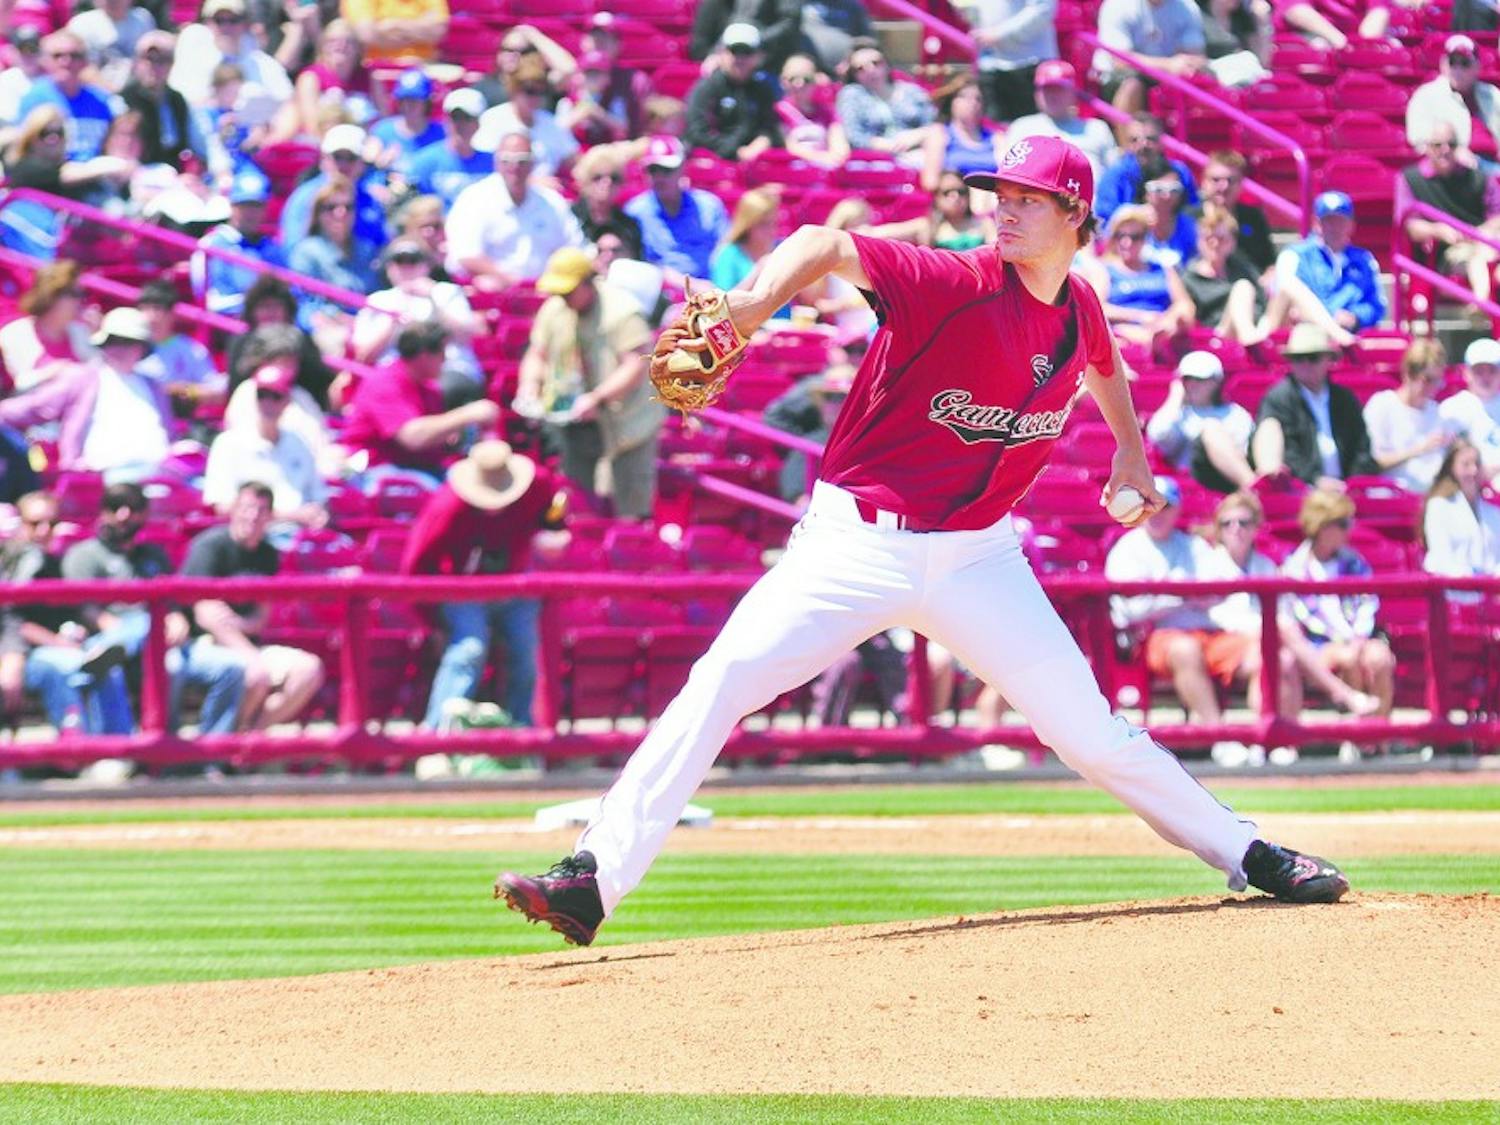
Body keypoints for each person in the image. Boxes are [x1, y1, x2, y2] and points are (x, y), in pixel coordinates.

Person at [496, 135, 1351, 949]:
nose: (1004, 209)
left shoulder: (1079, 309)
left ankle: (1248, 851)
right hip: (855, 543)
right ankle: (593, 878)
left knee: (1091, 732)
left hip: (980, 558)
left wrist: (1131, 448)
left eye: (1027, 199)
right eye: (999, 194)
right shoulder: (952, 281)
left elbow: (1103, 363)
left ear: (1076, 215)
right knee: (721, 682)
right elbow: (823, 243)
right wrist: (749, 308)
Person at [402, 440, 566, 729]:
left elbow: (554, 519)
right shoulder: (447, 506)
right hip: (463, 588)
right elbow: (416, 566)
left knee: (526, 651)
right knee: (469, 649)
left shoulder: (538, 485)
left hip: (515, 583)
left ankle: (522, 730)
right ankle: (440, 731)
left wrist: (555, 534)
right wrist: (431, 621)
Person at [1105, 476, 1270, 763]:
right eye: (1150, 504)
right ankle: (1220, 737)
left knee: (1263, 648)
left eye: (1165, 506)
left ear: (1177, 510)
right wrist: (1180, 595)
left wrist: (1172, 593)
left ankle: (1262, 740)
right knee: (1185, 649)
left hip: (1207, 631)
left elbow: (1219, 590)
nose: (1157, 512)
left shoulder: (1193, 546)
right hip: (1153, 639)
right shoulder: (1127, 549)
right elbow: (1128, 611)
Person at [515, 248, 661, 520]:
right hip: (574, 419)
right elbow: (537, 354)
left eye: (569, 291)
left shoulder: (622, 311)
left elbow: (636, 364)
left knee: (630, 507)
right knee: (577, 498)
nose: (563, 297)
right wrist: (529, 386)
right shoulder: (555, 309)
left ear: (587, 282)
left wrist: (598, 397)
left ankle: (629, 540)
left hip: (627, 420)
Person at [177, 481, 324, 731]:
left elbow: (261, 617)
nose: (253, 516)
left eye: (261, 510)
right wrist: (248, 652)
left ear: (270, 516)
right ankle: (225, 744)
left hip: (249, 645)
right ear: (234, 509)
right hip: (206, 644)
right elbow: (204, 614)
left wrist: (241, 626)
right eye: (247, 508)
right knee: (255, 675)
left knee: (309, 670)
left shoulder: (268, 553)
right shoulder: (209, 546)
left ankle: (248, 736)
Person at [0, 490, 132, 736]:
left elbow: (68, 612)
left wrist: (76, 631)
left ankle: (119, 745)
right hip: (22, 655)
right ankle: (76, 748)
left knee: (107, 667)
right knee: (70, 667)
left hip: (60, 646)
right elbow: (14, 624)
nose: (44, 531)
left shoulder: (56, 563)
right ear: (21, 524)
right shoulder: (11, 562)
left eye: (51, 524)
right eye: (35, 523)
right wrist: (59, 643)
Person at [60, 480, 183, 739]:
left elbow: (172, 604)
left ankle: (174, 746)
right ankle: (122, 748)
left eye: (133, 507)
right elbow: (85, 608)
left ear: (144, 513)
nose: (124, 515)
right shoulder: (84, 554)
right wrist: (118, 630)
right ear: (103, 512)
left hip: (155, 641)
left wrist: (177, 619)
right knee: (116, 662)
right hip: (102, 637)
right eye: (115, 506)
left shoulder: (154, 555)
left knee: (184, 664)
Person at [0, 306, 172, 480]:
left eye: (129, 342)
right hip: (100, 477)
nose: (120, 349)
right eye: (113, 341)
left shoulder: (152, 386)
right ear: (103, 344)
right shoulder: (85, 377)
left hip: (158, 475)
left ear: (142, 348)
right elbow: (35, 407)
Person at [1280, 488, 1396, 721]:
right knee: (1348, 657)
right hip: (1317, 645)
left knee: (1381, 658)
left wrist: (1359, 638)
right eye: (1343, 524)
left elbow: (1367, 604)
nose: (1349, 530)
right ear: (1322, 526)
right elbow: (1293, 623)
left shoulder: (1354, 562)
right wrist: (1350, 646)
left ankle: (1379, 731)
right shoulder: (1293, 569)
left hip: (1357, 638)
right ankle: (1355, 728)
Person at [341, 320, 499, 486]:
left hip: (418, 467)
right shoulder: (384, 384)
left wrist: (451, 435)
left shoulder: (428, 387)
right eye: (441, 352)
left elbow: (434, 440)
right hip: (375, 470)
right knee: (440, 490)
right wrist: (468, 414)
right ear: (424, 355)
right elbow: (412, 437)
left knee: (471, 483)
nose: (444, 359)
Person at [444, 130, 585, 290]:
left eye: (522, 160)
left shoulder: (552, 202)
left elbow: (574, 247)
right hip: (494, 294)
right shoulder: (473, 199)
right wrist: (511, 281)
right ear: (496, 163)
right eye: (506, 160)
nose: (514, 167)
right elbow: (465, 255)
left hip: (548, 290)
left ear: (533, 163)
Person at [351, 236, 482, 408]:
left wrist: (434, 298)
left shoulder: (446, 292)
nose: (406, 267)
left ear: (427, 265)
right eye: (399, 260)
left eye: (413, 260)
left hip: (449, 368)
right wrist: (392, 322)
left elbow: (465, 336)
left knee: (440, 391)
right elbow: (363, 356)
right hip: (395, 375)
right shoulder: (377, 301)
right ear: (389, 267)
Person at [202, 362, 327, 529]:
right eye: (262, 395)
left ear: (287, 401)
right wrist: (290, 516)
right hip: (251, 536)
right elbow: (223, 507)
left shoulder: (299, 442)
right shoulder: (228, 443)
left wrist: (319, 515)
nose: (267, 403)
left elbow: (319, 497)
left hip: (300, 535)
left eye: (276, 396)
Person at [1251, 323, 1376, 488]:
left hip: (1346, 489)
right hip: (1302, 490)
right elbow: (1289, 453)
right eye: (1298, 358)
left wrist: (1353, 484)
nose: (1305, 364)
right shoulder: (1279, 399)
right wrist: (1315, 480)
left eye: (1313, 357)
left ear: (1328, 360)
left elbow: (1361, 448)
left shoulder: (1345, 398)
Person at [1397, 120, 1500, 309]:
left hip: (1484, 244)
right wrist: (1438, 230)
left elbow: (1497, 215)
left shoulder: (1478, 178)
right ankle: (1482, 305)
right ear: (1427, 147)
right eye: (1438, 145)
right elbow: (1409, 225)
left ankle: (1482, 306)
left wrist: (1479, 232)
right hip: (1444, 254)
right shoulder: (1411, 179)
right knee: (1476, 262)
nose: (1444, 150)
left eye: (1451, 145)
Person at [1273, 191, 1385, 347]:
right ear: (1316, 223)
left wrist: (1356, 317)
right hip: (1306, 340)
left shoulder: (1364, 259)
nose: (1334, 227)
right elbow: (1281, 299)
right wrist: (1331, 316)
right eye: (1328, 221)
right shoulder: (1294, 255)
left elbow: (1377, 304)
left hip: (1354, 336)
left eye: (1340, 221)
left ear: (1351, 224)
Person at [1078, 203, 1194, 346]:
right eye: (1120, 236)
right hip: (1124, 335)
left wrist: (1168, 320)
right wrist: (1140, 316)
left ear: (1145, 239)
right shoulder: (1104, 270)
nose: (1126, 243)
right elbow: (1097, 308)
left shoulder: (1162, 269)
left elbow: (1185, 304)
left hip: (1163, 330)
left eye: (1135, 237)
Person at [286, 173, 379, 352]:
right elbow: (304, 303)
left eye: (348, 207)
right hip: (328, 328)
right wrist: (339, 319)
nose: (340, 213)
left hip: (366, 324)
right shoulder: (307, 252)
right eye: (331, 207)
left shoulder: (366, 250)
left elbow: (375, 294)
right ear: (318, 213)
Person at [622, 135, 730, 283]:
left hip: (711, 287)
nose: (659, 177)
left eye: (666, 170)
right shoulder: (634, 213)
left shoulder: (709, 206)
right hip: (660, 291)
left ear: (682, 169)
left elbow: (725, 251)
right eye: (653, 170)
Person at [1146, 349, 1256, 493]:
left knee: (1212, 427)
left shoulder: (1235, 413)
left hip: (1226, 483)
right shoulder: (1177, 413)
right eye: (1187, 379)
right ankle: (1254, 487)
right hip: (1188, 488)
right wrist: (1176, 396)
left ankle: (1252, 487)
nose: (1192, 385)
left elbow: (1243, 452)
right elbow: (1158, 435)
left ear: (1216, 382)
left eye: (1200, 380)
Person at [168, 0, 291, 117]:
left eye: (233, 20)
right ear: (208, 23)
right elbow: (179, 100)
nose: (226, 26)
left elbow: (287, 103)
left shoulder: (265, 64)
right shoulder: (192, 60)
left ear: (245, 24)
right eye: (219, 21)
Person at [1364, 338, 1456, 494]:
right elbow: (1372, 463)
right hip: (1390, 496)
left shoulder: (1438, 412)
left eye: (1437, 380)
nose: (1433, 387)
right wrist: (1420, 449)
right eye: (1428, 380)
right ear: (1408, 374)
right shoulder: (1381, 405)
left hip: (1431, 497)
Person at [683, 23, 783, 164]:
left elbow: (769, 126)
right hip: (714, 162)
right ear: (722, 53)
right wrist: (735, 152)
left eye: (747, 52)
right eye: (734, 51)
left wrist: (763, 140)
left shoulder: (762, 89)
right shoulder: (707, 88)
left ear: (758, 56)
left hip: (754, 162)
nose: (740, 59)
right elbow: (697, 133)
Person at [277, 123, 388, 248]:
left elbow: (381, 243)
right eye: (337, 157)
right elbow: (292, 246)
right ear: (324, 159)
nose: (343, 165)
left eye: (351, 158)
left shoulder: (369, 200)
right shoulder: (305, 197)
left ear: (362, 163)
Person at [191, 169, 285, 316]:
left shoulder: (271, 247)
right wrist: (256, 303)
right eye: (244, 205)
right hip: (229, 321)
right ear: (232, 206)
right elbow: (209, 300)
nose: (250, 213)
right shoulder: (211, 244)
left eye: (256, 206)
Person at [1179, 200, 1272, 346]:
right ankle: (1252, 342)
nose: (1215, 244)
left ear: (1232, 242)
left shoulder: (1244, 269)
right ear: (1199, 241)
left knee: (1287, 289)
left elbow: (1263, 304)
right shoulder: (1189, 278)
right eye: (1209, 239)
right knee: (1243, 287)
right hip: (1218, 338)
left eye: (1221, 239)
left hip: (1257, 326)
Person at [1005, 60, 1118, 180]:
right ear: (1037, 94)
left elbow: (1114, 174)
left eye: (1059, 89)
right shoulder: (1021, 127)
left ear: (1073, 92)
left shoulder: (1096, 128)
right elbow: (1008, 173)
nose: (1053, 95)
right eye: (1047, 89)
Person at [1094, 0, 1207, 116]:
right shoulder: (1117, 5)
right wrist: (1168, 65)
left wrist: (1182, 66)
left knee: (1202, 81)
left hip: (1167, 78)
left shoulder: (1187, 7)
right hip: (1116, 78)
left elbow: (1194, 55)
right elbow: (1121, 61)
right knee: (1132, 85)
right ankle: (1130, 128)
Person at [17, 30, 116, 161]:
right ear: (44, 61)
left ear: (85, 61)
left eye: (75, 55)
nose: (66, 61)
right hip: (53, 170)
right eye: (57, 56)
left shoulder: (101, 101)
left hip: (98, 170)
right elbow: (24, 150)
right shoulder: (34, 99)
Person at [834, 41, 939, 165]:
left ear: (886, 64)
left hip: (917, 153)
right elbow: (853, 135)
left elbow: (934, 125)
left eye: (876, 63)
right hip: (873, 160)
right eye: (860, 68)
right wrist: (886, 145)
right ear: (853, 75)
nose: (870, 70)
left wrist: (918, 135)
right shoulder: (852, 95)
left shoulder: (912, 92)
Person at [1405, 34, 1500, 167]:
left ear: (1477, 67)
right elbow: (1417, 137)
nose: (1458, 70)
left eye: (1465, 63)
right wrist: (1453, 152)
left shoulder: (1492, 94)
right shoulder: (1426, 95)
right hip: (1457, 167)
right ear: (1443, 65)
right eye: (1452, 62)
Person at [0, 258, 93, 391]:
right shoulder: (15, 333)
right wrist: (58, 372)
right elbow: (19, 387)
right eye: (75, 294)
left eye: (83, 294)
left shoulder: (80, 332)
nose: (81, 300)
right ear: (51, 295)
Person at [120, 31, 208, 172]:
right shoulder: (124, 99)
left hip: (174, 172)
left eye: (162, 60)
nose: (154, 66)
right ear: (136, 62)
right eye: (149, 58)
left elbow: (196, 145)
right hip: (138, 172)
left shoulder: (177, 100)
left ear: (172, 64)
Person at [280, 19, 379, 141]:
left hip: (364, 141)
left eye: (348, 41)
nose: (341, 46)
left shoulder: (370, 77)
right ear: (323, 46)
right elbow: (311, 124)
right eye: (332, 41)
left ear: (358, 48)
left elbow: (383, 118)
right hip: (322, 142)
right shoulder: (311, 77)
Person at [1095, 113, 1199, 226]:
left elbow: (1194, 211)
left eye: (1150, 139)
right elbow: (1105, 220)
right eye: (1135, 140)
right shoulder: (1114, 176)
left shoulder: (1180, 172)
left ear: (1161, 142)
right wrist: (1136, 214)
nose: (1143, 145)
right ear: (1126, 144)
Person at [135, 278, 223, 410]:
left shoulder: (192, 350)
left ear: (172, 313)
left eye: (157, 309)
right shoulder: (125, 345)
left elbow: (217, 390)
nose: (151, 317)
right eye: (145, 309)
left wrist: (186, 391)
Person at [1421, 438, 1500, 580]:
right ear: (1452, 468)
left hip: (1490, 589)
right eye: (1466, 464)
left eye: (1477, 464)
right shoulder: (1438, 506)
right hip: (1453, 588)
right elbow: (1440, 557)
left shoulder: (1493, 512)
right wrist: (1471, 577)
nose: (1473, 470)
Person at [968, 0, 1058, 122]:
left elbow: (1043, 9)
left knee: (1034, 128)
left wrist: (999, 33)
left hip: (1030, 64)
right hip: (991, 65)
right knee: (996, 129)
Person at [402, 88, 491, 211]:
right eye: (455, 117)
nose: (460, 125)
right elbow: (410, 208)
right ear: (445, 120)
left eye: (467, 118)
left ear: (478, 123)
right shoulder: (424, 162)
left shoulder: (492, 164)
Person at [873, 168, 996, 251]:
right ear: (936, 198)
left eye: (961, 192)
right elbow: (881, 234)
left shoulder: (985, 224)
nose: (956, 197)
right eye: (947, 192)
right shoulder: (927, 226)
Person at [1195, 149, 1274, 277]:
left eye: (1231, 180)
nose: (1224, 186)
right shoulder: (1189, 217)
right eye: (1216, 180)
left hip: (1251, 283)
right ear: (1204, 182)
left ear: (1241, 184)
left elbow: (1269, 262)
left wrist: (1268, 277)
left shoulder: (1253, 217)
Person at [920, 73, 1001, 193]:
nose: (972, 103)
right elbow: (930, 183)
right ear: (951, 102)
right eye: (964, 96)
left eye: (978, 99)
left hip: (990, 198)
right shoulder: (940, 134)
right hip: (957, 197)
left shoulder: (996, 138)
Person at [774, 53, 850, 170]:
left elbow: (839, 144)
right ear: (783, 81)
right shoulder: (778, 111)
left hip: (825, 172)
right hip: (792, 173)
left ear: (815, 81)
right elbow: (789, 146)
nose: (799, 84)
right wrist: (820, 158)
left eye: (806, 79)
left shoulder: (827, 112)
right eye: (792, 79)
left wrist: (837, 155)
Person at [1439, 336, 1500, 480]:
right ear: (1466, 373)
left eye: (1492, 370)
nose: (1486, 377)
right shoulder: (1451, 408)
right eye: (1479, 371)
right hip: (1468, 484)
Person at [569, 146, 642, 261]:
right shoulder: (569, 217)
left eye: (614, 178)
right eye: (597, 177)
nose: (607, 182)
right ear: (584, 181)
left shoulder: (628, 226)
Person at [689, 0, 801, 74]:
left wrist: (756, 42)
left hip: (770, 60)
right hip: (734, 53)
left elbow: (790, 23)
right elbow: (738, 20)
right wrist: (717, 52)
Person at [68, 0, 156, 90]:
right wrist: (113, 92)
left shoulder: (143, 19)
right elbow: (81, 68)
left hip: (138, 89)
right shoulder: (81, 24)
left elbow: (154, 60)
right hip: (98, 91)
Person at [368, 67, 442, 175]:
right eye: (404, 100)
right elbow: (367, 159)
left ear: (427, 102)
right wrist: (379, 162)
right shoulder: (383, 129)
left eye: (415, 100)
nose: (408, 106)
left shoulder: (441, 133)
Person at [711, 188, 782, 293]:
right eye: (763, 224)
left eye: (774, 223)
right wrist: (758, 272)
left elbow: (806, 297)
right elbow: (723, 299)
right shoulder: (729, 254)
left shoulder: (782, 250)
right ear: (748, 225)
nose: (771, 230)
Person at [340, 0, 448, 66]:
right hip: (377, 71)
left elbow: (438, 30)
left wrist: (393, 26)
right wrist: (419, 30)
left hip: (423, 66)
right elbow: (367, 34)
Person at [1141, 165, 1196, 269]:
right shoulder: (1129, 221)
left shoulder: (1190, 228)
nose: (1167, 196)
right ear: (1146, 193)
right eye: (1158, 189)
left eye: (1173, 189)